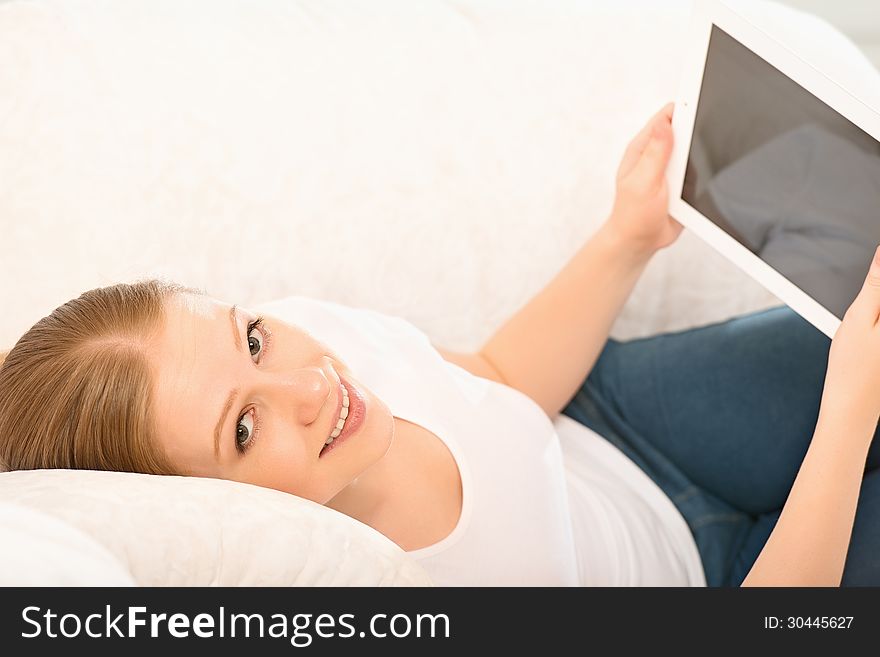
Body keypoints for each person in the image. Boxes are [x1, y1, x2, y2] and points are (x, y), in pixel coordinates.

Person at [1, 104, 878, 586]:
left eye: (254, 339)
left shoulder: (318, 348)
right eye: (242, 428)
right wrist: (846, 415)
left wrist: (627, 236)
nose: (307, 384)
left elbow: (496, 380)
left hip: (623, 430)